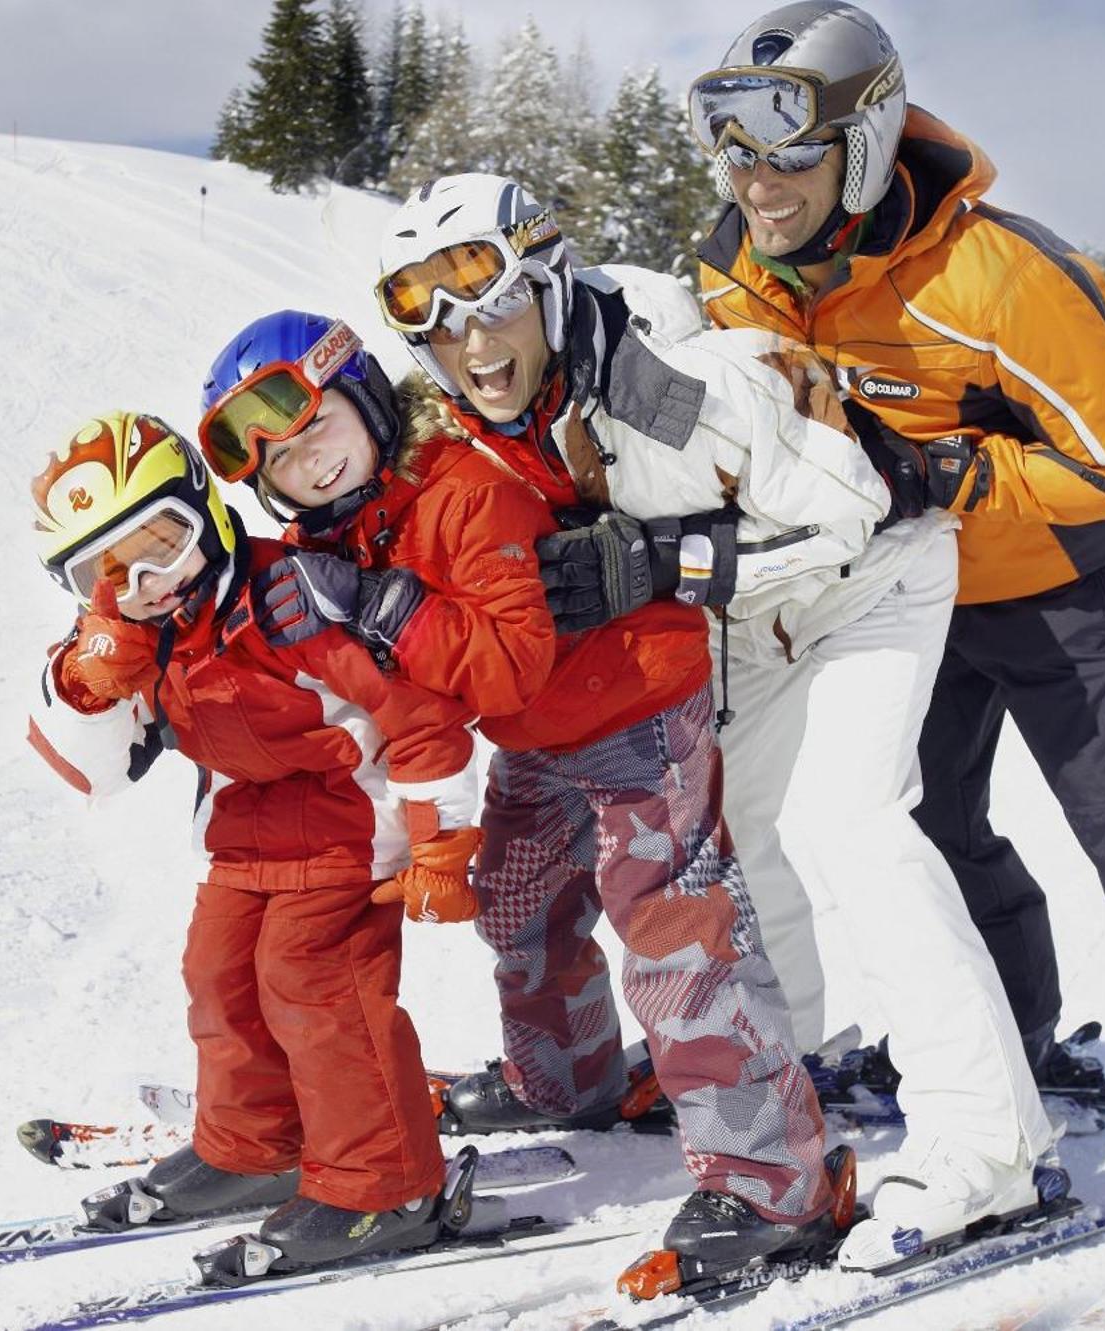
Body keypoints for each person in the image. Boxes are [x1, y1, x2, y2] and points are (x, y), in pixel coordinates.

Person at [690, 0, 1105, 1215]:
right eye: (730, 146)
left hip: (1053, 590)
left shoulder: (1000, 277)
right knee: (928, 831)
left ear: (861, 137)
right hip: (908, 591)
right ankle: (1007, 1038)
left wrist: (954, 476)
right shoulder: (743, 269)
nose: (755, 178)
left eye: (786, 146)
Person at [381, 172, 1056, 1270]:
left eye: (491, 301)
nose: (471, 343)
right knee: (728, 828)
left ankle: (991, 1143)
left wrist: (661, 560)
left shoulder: (669, 385)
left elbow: (857, 512)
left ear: (547, 284)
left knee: (851, 824)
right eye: (434, 321)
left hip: (866, 580)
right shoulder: (488, 414)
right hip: (745, 618)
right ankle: (776, 1078)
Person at [197, 306, 842, 1274]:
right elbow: (421, 688)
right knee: (515, 900)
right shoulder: (351, 528)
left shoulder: (459, 491)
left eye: (318, 429)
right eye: (280, 463)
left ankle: (771, 1182)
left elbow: (499, 660)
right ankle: (567, 1079)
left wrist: (379, 605)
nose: (310, 464)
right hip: (538, 732)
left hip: (631, 709)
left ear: (365, 403)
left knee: (673, 933)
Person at [24, 411, 484, 1266]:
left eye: (163, 540)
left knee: (315, 985)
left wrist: (441, 840)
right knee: (220, 976)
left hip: (350, 822)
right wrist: (92, 676)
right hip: (242, 834)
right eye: (105, 571)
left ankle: (387, 1184)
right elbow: (93, 771)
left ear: (205, 505)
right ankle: (254, 1148)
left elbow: (416, 713)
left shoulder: (294, 596)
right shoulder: (137, 641)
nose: (148, 581)